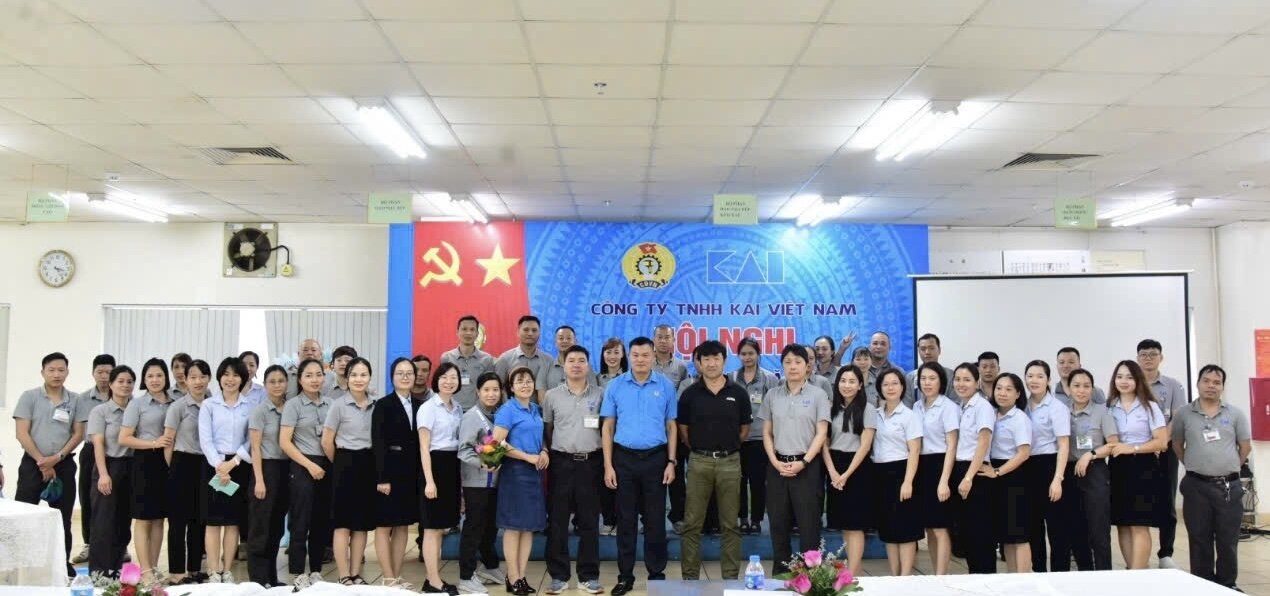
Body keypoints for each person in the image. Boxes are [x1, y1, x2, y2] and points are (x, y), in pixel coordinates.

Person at [601, 336, 678, 596]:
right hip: (624, 460)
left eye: (645, 355)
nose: (640, 359)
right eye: (635, 355)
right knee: (626, 520)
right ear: (628, 357)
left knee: (655, 520)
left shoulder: (665, 386)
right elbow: (608, 426)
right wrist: (608, 465)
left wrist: (671, 461)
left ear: (653, 356)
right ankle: (625, 575)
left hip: (656, 459)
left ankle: (657, 574)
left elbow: (671, 426)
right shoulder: (616, 386)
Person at [677, 340, 751, 581]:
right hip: (699, 462)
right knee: (692, 524)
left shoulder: (738, 392)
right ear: (698, 363)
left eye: (715, 358)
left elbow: (744, 429)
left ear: (724, 360)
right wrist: (701, 450)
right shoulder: (689, 394)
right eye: (705, 359)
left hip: (730, 462)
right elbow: (684, 431)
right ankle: (690, 579)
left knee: (730, 524)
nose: (711, 363)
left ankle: (730, 579)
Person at [1173, 364, 1251, 590]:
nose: (1211, 386)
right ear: (1198, 384)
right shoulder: (1184, 413)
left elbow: (1244, 446)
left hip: (1228, 486)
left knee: (1228, 541)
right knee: (1199, 540)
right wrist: (1192, 464)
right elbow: (1178, 444)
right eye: (1206, 381)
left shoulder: (1235, 413)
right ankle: (1202, 585)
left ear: (1222, 387)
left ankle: (1227, 585)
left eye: (1216, 382)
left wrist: (1230, 466)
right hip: (1196, 485)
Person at [12, 351, 85, 577]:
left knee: (62, 517)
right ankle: (18, 564)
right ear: (42, 372)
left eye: (61, 370)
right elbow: (21, 434)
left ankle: (62, 564)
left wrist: (57, 458)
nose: (56, 374)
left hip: (63, 464)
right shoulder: (29, 396)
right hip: (32, 464)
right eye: (51, 370)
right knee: (24, 515)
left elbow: (79, 433)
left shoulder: (75, 400)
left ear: (67, 372)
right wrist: (42, 461)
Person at [758, 344, 830, 574]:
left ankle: (812, 579)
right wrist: (775, 461)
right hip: (777, 466)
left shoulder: (818, 395)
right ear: (782, 365)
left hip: (807, 467)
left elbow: (821, 433)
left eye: (797, 361)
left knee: (809, 526)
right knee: (778, 524)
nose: (792, 366)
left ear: (807, 366)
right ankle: (781, 577)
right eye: (788, 362)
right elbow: (767, 433)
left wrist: (805, 462)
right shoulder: (772, 394)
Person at [543, 346, 606, 595]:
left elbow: (607, 429)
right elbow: (548, 430)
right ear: (564, 364)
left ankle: (588, 576)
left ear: (588, 365)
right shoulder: (552, 396)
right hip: (561, 463)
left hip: (591, 463)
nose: (577, 364)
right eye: (572, 360)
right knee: (558, 521)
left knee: (589, 521)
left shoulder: (601, 394)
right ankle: (558, 576)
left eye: (582, 360)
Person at [1107, 360, 1169, 570]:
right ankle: (1131, 570)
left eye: (1129, 377)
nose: (1124, 381)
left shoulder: (1149, 407)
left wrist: (1131, 448)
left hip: (1143, 468)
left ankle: (1138, 574)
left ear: (1138, 380)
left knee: (1138, 524)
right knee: (1123, 524)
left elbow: (1161, 442)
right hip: (1117, 469)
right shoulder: (1109, 407)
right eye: (1119, 376)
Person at [494, 366, 550, 596]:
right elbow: (496, 443)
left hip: (535, 474)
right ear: (511, 387)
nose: (525, 384)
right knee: (513, 527)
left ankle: (520, 576)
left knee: (528, 528)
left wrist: (545, 450)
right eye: (519, 381)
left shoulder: (535, 409)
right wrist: (527, 456)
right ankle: (513, 575)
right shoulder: (507, 410)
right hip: (515, 473)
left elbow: (542, 438)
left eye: (528, 380)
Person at [118, 357, 175, 585]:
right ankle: (144, 571)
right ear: (144, 379)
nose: (154, 380)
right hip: (144, 462)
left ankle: (154, 567)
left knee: (160, 519)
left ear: (166, 377)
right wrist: (154, 443)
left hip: (168, 462)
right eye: (150, 376)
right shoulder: (137, 404)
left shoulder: (175, 401)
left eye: (159, 375)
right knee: (143, 519)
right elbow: (124, 438)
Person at [322, 357, 378, 586]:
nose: (358, 379)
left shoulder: (377, 404)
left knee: (361, 524)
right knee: (342, 523)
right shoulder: (338, 405)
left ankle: (356, 573)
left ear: (369, 378)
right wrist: (341, 464)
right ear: (347, 377)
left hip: (368, 463)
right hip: (344, 463)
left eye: (363, 375)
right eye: (354, 375)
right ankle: (344, 574)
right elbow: (327, 441)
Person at [198, 357, 254, 584]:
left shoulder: (249, 406)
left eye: (236, 375)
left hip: (238, 466)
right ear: (219, 377)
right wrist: (219, 465)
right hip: (214, 466)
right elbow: (205, 437)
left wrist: (234, 462)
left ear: (242, 379)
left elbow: (251, 438)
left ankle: (227, 569)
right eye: (226, 374)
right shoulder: (209, 405)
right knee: (213, 522)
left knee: (232, 521)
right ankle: (213, 569)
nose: (230, 380)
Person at [280, 358, 334, 591]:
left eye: (318, 374)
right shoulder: (294, 405)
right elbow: (285, 442)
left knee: (321, 520)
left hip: (327, 465)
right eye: (309, 375)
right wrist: (309, 465)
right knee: (300, 520)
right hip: (302, 465)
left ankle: (315, 571)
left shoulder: (331, 404)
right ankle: (297, 572)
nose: (314, 379)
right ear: (300, 379)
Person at [371, 358, 422, 589]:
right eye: (400, 373)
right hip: (389, 473)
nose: (405, 376)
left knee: (402, 525)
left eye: (409, 372)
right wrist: (382, 477)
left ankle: (397, 575)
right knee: (384, 525)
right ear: (392, 377)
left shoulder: (421, 405)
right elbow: (378, 442)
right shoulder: (383, 405)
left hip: (410, 474)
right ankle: (388, 576)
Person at [1136, 339, 1187, 569]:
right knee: (1139, 501)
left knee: (1167, 501)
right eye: (1144, 354)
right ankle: (1138, 553)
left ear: (1161, 357)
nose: (1148, 358)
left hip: (1164, 451)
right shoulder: (1131, 384)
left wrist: (1160, 443)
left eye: (1153, 354)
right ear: (1138, 358)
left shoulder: (1173, 385)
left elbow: (1176, 417)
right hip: (1137, 453)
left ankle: (1165, 552)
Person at [1061, 368, 1118, 571]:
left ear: (1092, 389)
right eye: (1076, 385)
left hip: (1095, 471)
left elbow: (1113, 444)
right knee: (1075, 527)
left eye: (1086, 386)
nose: (1081, 390)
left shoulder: (1102, 412)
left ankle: (1104, 574)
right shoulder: (1061, 411)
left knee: (1098, 529)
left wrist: (1091, 454)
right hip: (1068, 472)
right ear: (1068, 388)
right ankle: (1085, 573)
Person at [457, 373, 508, 595]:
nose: (491, 394)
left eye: (495, 389)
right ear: (478, 392)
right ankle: (466, 576)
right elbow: (464, 449)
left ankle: (490, 565)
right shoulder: (472, 417)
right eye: (486, 389)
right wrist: (482, 463)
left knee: (490, 526)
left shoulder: (498, 415)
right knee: (474, 527)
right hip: (476, 483)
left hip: (494, 483)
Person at [822, 365, 876, 575]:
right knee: (844, 523)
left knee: (856, 524)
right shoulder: (829, 408)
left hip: (858, 469)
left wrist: (846, 474)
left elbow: (865, 445)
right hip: (834, 465)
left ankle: (853, 572)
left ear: (860, 385)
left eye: (852, 381)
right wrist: (833, 472)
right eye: (843, 381)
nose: (847, 385)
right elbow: (824, 443)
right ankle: (851, 569)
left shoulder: (868, 409)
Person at [163, 359, 213, 585]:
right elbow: (168, 442)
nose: (198, 381)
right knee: (178, 520)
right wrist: (174, 468)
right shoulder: (178, 407)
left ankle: (194, 568)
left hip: (206, 464)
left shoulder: (213, 404)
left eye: (202, 377)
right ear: (185, 379)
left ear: (209, 379)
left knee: (199, 518)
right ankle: (176, 571)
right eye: (193, 377)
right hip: (181, 463)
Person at [417, 361, 465, 595]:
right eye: (444, 377)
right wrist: (429, 480)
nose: (449, 381)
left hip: (452, 466)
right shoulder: (428, 407)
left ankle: (433, 578)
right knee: (431, 528)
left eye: (453, 377)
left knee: (441, 528)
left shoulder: (457, 408)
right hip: (434, 466)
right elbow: (424, 447)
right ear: (436, 380)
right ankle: (433, 581)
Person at [870, 367, 922, 576]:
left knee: (906, 529)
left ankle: (906, 577)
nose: (890, 388)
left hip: (902, 472)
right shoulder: (875, 414)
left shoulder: (909, 415)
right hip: (880, 475)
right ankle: (894, 576)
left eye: (895, 383)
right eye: (886, 384)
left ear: (902, 387)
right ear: (880, 388)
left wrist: (908, 481)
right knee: (888, 529)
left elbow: (915, 450)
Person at [979, 373, 1033, 573]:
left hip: (1014, 477)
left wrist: (998, 471)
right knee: (1007, 535)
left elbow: (1024, 453)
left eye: (1009, 389)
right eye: (999, 388)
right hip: (997, 478)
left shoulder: (1020, 418)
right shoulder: (992, 413)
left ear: (1018, 393)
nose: (1002, 393)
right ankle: (1012, 578)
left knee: (1019, 534)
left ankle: (1024, 579)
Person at [87, 366, 135, 582]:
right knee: (103, 523)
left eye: (129, 381)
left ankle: (116, 572)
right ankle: (99, 575)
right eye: (120, 381)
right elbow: (98, 444)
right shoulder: (101, 411)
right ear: (112, 384)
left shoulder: (136, 409)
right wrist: (104, 474)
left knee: (122, 524)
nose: (125, 385)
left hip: (131, 468)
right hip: (108, 465)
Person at [243, 365, 290, 587]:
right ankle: (258, 580)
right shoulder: (260, 411)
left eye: (281, 380)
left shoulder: (290, 408)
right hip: (265, 470)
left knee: (276, 527)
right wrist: (259, 480)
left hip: (285, 470)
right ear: (265, 383)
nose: (277, 385)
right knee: (260, 527)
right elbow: (255, 448)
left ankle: (272, 576)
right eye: (272, 381)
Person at [1022, 360, 1070, 572]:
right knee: (1033, 525)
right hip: (1027, 467)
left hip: (1050, 465)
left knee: (1057, 526)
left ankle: (1060, 573)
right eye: (1030, 376)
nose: (1034, 380)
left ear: (1048, 380)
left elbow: (1063, 444)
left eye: (1040, 376)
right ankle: (1038, 571)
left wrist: (1058, 479)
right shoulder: (1021, 404)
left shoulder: (1057, 407)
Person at [912, 362, 959, 575]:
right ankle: (934, 573)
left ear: (941, 381)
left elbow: (952, 446)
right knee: (929, 527)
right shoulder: (917, 406)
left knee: (940, 526)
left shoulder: (948, 407)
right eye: (923, 379)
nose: (927, 383)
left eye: (932, 378)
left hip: (941, 466)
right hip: (921, 466)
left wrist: (943, 480)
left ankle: (942, 577)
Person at [949, 362, 995, 574]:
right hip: (960, 469)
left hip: (974, 472)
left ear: (977, 383)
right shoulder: (960, 406)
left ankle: (986, 580)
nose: (961, 384)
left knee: (980, 533)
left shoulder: (982, 407)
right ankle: (974, 577)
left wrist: (968, 478)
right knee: (966, 532)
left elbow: (983, 442)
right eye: (958, 379)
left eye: (967, 379)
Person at [731, 337, 777, 536]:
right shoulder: (731, 378)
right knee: (738, 481)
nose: (747, 357)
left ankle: (757, 520)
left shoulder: (769, 379)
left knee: (758, 482)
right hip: (737, 439)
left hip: (760, 439)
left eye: (751, 353)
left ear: (758, 354)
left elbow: (775, 410)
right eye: (743, 354)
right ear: (738, 355)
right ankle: (742, 519)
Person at [74, 353, 116, 566]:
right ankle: (89, 544)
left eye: (108, 372)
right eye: (100, 372)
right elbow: (81, 430)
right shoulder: (82, 399)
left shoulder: (123, 395)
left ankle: (118, 545)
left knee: (117, 499)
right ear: (93, 373)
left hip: (117, 453)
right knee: (88, 498)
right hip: (91, 451)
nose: (104, 376)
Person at [596, 337, 627, 534]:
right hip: (600, 437)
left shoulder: (630, 378)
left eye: (616, 352)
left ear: (623, 355)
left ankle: (622, 520)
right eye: (608, 352)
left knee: (624, 483)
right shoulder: (595, 378)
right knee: (604, 481)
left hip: (624, 437)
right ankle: (608, 519)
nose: (612, 356)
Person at [442, 315, 497, 411]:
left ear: (477, 334)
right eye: (464, 329)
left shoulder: (487, 359)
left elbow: (489, 388)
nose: (468, 333)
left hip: (478, 411)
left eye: (472, 330)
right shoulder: (447, 358)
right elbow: (443, 387)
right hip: (452, 410)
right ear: (457, 332)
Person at [539, 325, 597, 398]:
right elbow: (541, 396)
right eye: (561, 338)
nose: (565, 341)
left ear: (575, 341)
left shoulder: (585, 366)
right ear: (555, 342)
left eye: (569, 338)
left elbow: (593, 392)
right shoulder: (546, 366)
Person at [496, 315, 552, 385]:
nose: (530, 333)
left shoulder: (548, 361)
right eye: (526, 330)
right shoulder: (505, 359)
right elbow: (498, 387)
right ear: (518, 332)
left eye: (534, 330)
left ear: (539, 333)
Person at [905, 334, 954, 406]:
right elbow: (908, 407)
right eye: (923, 349)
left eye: (931, 348)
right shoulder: (910, 377)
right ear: (918, 351)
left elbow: (956, 404)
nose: (927, 352)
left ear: (939, 350)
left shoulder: (951, 375)